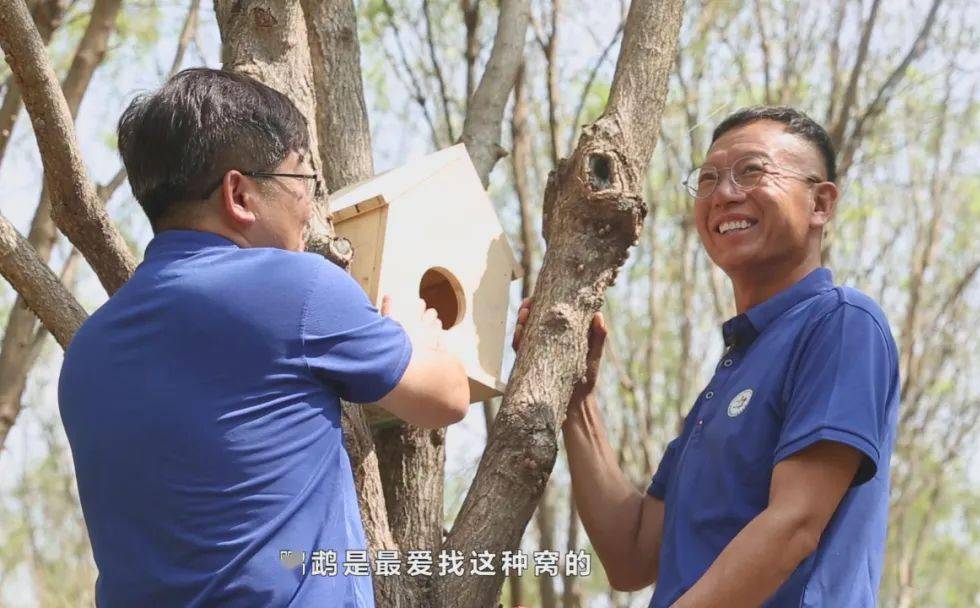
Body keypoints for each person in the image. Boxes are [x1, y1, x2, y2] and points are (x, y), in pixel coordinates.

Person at [57, 67, 470, 607]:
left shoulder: (87, 351)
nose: (310, 208)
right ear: (239, 193)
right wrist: (416, 337)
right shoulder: (294, 290)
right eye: (304, 182)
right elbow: (446, 398)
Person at [514, 106, 900, 607]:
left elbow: (795, 524)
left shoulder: (842, 324)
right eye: (708, 179)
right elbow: (632, 554)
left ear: (820, 203)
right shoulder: (733, 370)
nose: (723, 194)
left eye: (752, 171)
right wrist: (576, 399)